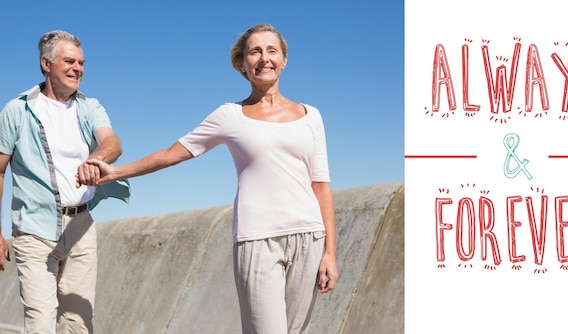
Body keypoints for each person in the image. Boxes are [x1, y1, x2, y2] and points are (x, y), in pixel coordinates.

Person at [78, 23, 338, 333]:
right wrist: (115, 172)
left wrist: (330, 253)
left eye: (272, 51)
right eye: (255, 51)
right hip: (257, 239)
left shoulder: (311, 116)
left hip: (310, 237)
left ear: (284, 59)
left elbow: (321, 185)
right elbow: (171, 153)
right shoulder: (230, 115)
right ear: (242, 64)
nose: (264, 58)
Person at [0, 30, 130, 333]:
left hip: (82, 228)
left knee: (78, 324)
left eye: (81, 63)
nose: (78, 68)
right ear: (46, 64)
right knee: (41, 323)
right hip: (34, 231)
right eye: (69, 61)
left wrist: (93, 160)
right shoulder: (18, 110)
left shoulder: (89, 107)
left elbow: (112, 143)